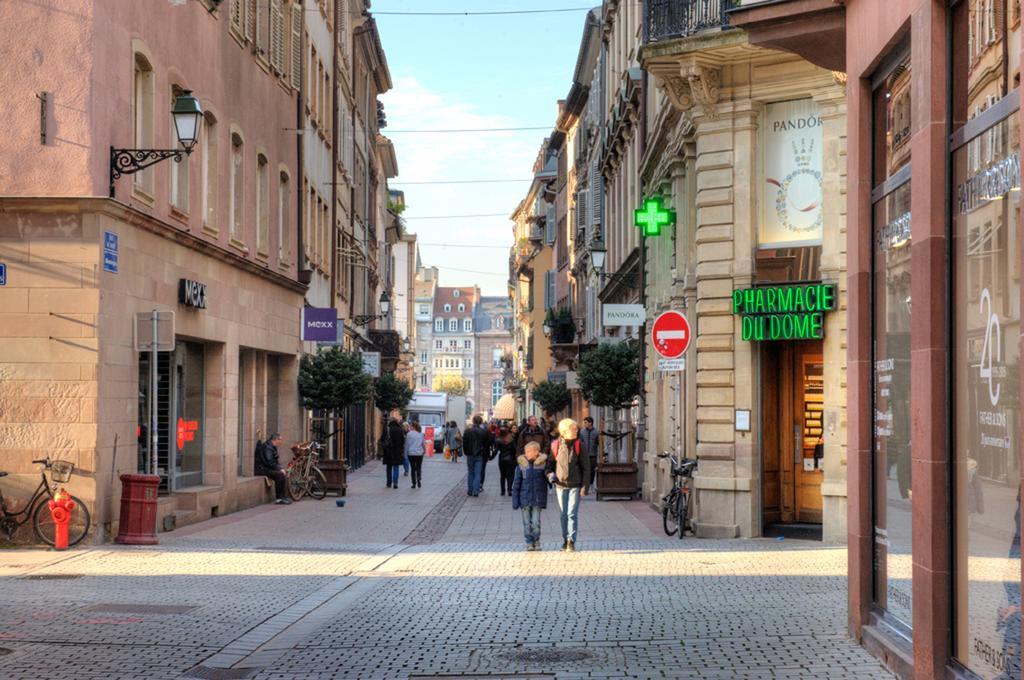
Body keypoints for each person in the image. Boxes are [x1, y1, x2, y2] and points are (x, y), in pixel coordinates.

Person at [546, 418, 591, 552]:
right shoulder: (555, 445)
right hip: (560, 485)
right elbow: (549, 466)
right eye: (574, 429)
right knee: (563, 514)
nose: (577, 430)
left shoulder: (579, 445)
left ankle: (571, 540)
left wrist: (585, 486)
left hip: (575, 485)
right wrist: (550, 475)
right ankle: (565, 539)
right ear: (565, 431)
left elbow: (586, 467)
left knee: (571, 513)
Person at [512, 441, 549, 551]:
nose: (526, 453)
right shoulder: (522, 466)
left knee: (536, 523)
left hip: (537, 499)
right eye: (526, 451)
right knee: (527, 523)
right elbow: (516, 485)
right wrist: (515, 501)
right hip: (525, 500)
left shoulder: (542, 465)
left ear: (537, 452)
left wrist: (552, 478)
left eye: (529, 451)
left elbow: (548, 481)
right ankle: (529, 542)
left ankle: (536, 541)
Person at [255, 433, 291, 505]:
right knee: (280, 475)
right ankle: (279, 498)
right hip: (261, 469)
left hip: (265, 467)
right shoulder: (268, 447)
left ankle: (283, 496)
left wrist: (280, 468)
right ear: (276, 440)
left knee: (282, 474)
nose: (282, 442)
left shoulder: (272, 447)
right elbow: (270, 461)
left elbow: (275, 461)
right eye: (281, 440)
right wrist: (279, 469)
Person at [462, 415, 489, 496]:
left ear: (473, 421)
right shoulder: (484, 431)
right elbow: (486, 445)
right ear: (481, 422)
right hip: (479, 454)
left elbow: (465, 443)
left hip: (470, 454)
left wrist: (466, 452)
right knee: (478, 473)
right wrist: (487, 456)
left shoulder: (467, 431)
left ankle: (470, 490)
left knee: (470, 472)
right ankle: (476, 491)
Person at [381, 417, 406, 489]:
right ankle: (395, 483)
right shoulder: (400, 430)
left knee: (389, 467)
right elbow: (402, 441)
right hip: (397, 452)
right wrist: (401, 450)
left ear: (390, 421)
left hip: (388, 451)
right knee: (396, 467)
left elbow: (382, 439)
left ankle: (389, 483)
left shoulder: (387, 429)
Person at [494, 426, 517, 496]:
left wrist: (490, 458)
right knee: (510, 475)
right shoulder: (511, 439)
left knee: (502, 475)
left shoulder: (498, 440)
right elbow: (514, 450)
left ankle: (502, 491)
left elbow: (495, 451)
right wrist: (515, 458)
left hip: (502, 459)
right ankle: (509, 490)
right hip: (510, 459)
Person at [579, 416, 600, 490]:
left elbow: (599, 443)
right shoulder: (582, 432)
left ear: (590, 423)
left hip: (593, 455)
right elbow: (580, 442)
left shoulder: (596, 432)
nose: (584, 424)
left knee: (592, 470)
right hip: (583, 455)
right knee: (583, 470)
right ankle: (583, 485)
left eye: (586, 423)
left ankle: (591, 485)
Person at [404, 422, 425, 489]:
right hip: (419, 454)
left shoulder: (409, 434)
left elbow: (406, 445)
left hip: (411, 454)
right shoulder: (421, 434)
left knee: (413, 468)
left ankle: (414, 483)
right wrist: (424, 450)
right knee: (419, 467)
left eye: (410, 426)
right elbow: (423, 444)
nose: (409, 427)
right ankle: (418, 479)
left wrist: (405, 454)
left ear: (413, 427)